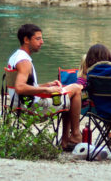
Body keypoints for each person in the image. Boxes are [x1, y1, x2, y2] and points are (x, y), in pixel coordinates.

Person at [8, 23, 83, 151]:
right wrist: (46, 90)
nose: (42, 42)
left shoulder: (15, 57)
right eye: (38, 39)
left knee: (66, 94)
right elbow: (20, 87)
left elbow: (26, 86)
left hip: (18, 106)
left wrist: (47, 84)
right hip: (34, 109)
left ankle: (66, 141)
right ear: (26, 40)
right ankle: (75, 135)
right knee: (75, 88)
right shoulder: (24, 62)